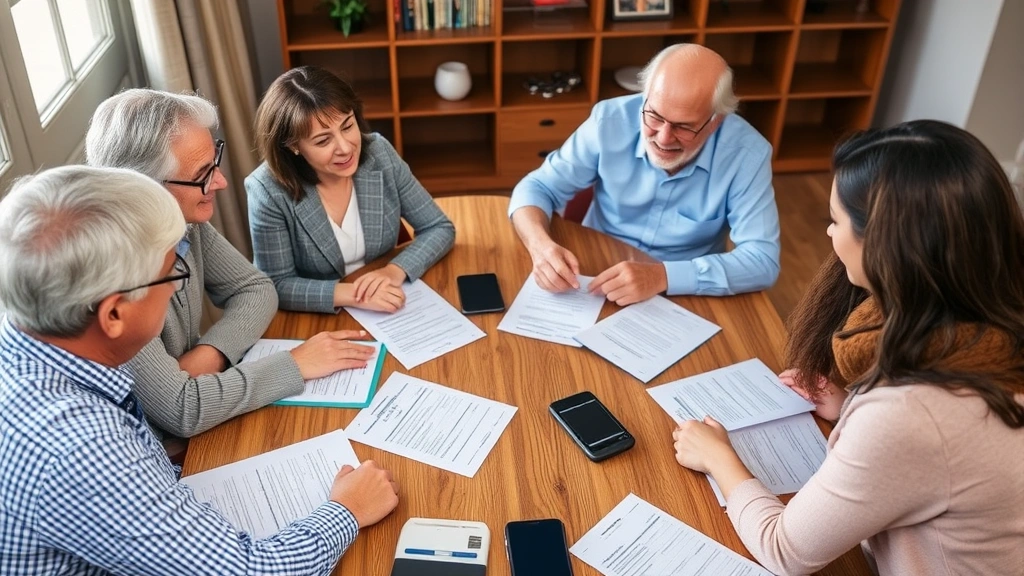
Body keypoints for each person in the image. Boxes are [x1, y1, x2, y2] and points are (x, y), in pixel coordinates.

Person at [0, 166, 399, 574]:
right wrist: (347, 510)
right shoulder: (81, 450)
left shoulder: (27, 339)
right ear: (114, 313)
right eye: (171, 273)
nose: (178, 287)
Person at [672, 120, 1024, 575]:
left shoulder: (914, 412)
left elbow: (784, 551)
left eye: (835, 220)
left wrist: (718, 457)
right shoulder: (991, 323)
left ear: (885, 246)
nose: (829, 235)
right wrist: (851, 405)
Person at [86, 89, 375, 439]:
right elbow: (183, 410)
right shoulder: (113, 280)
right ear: (147, 189)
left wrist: (212, 353)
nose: (220, 182)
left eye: (215, 161)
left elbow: (256, 289)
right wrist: (296, 363)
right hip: (158, 453)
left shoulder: (185, 223)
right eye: (203, 173)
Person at [508, 43, 780, 306]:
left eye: (684, 127)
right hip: (594, 270)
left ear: (715, 121)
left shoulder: (748, 155)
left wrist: (661, 276)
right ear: (646, 95)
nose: (663, 137)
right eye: (655, 116)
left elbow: (762, 260)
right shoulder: (608, 120)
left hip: (688, 290)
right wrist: (541, 247)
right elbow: (537, 187)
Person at [246, 66, 455, 314]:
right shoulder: (267, 190)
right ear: (294, 146)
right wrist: (355, 294)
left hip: (390, 303)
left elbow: (439, 228)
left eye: (347, 126)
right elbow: (276, 285)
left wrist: (393, 271)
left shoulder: (379, 153)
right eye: (323, 140)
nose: (345, 148)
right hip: (318, 317)